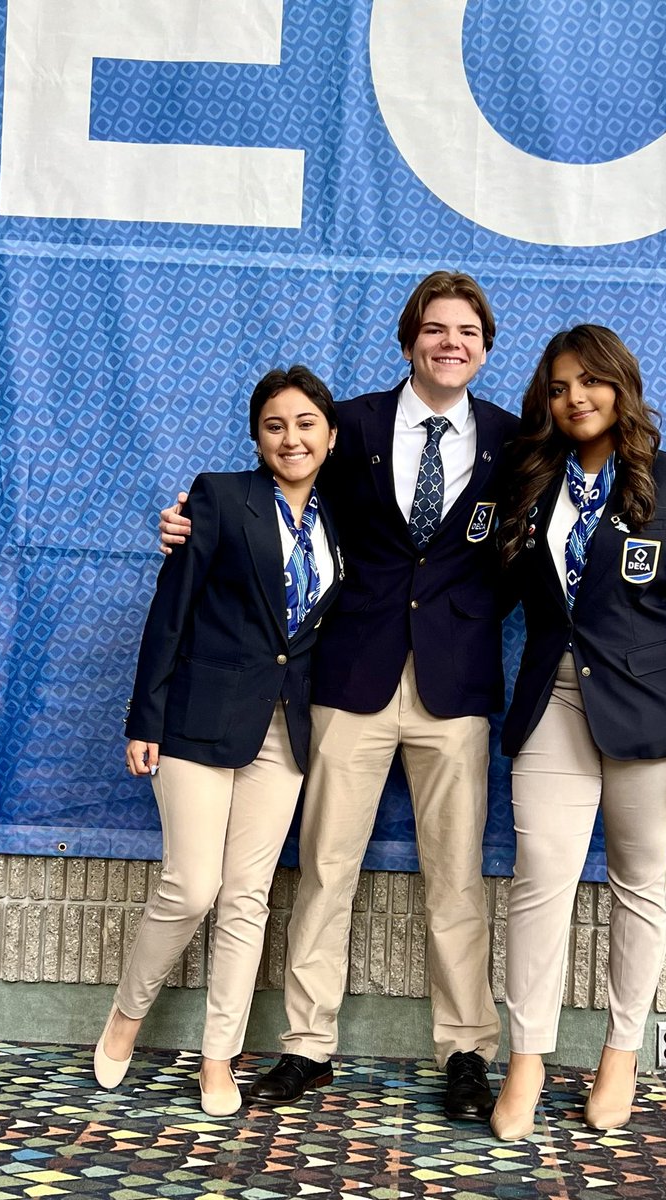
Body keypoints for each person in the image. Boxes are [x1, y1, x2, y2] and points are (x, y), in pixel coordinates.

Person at [159, 272, 519, 1120]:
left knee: (457, 877)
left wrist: (466, 618)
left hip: (454, 685)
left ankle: (466, 1049)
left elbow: (526, 555)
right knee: (323, 868)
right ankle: (307, 1046)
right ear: (408, 342)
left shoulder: (514, 438)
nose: (450, 343)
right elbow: (270, 499)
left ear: (484, 347)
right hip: (349, 675)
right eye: (435, 329)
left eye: (467, 331)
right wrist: (189, 521)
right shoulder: (349, 423)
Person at [488, 325, 666, 1140]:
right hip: (552, 699)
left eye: (589, 382)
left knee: (640, 885)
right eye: (558, 388)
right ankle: (526, 1059)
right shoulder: (531, 479)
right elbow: (484, 583)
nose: (574, 399)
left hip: (653, 720)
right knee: (540, 879)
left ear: (622, 387)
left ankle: (621, 1052)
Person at [94, 366, 343, 1116]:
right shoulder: (219, 497)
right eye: (275, 425)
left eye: (305, 423)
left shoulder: (345, 517)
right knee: (192, 886)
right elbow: (171, 608)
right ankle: (126, 1018)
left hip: (285, 729)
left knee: (246, 899)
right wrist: (146, 716)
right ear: (257, 437)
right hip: (199, 720)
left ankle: (218, 1056)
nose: (291, 437)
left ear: (330, 436)